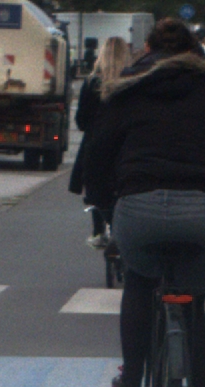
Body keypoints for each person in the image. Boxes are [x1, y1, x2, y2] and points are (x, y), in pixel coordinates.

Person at [82, 18, 205, 387]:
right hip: (203, 210)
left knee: (140, 283)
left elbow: (98, 149)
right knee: (193, 304)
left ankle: (131, 382)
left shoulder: (127, 90)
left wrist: (100, 199)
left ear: (147, 51)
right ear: (194, 52)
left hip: (139, 208)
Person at [68, 36, 131, 248]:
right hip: (124, 143)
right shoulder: (132, 81)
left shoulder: (92, 82)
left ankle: (98, 231)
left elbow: (81, 120)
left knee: (94, 184)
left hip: (96, 143)